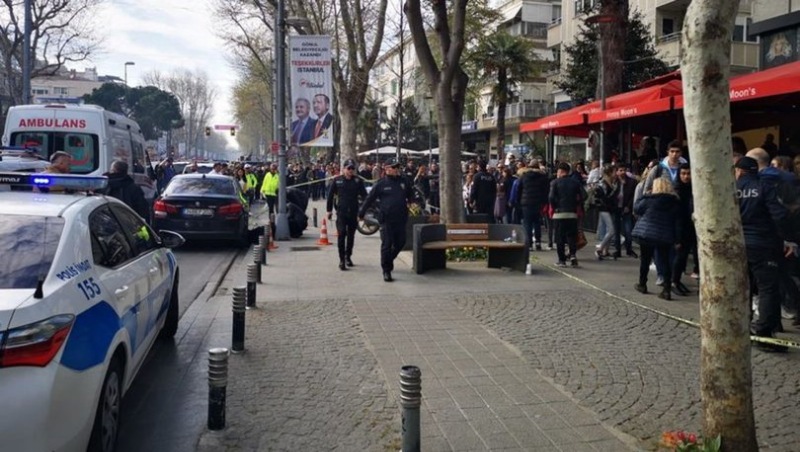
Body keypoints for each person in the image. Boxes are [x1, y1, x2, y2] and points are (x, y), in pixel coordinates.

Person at [735, 156, 790, 352]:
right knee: (768, 289)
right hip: (763, 245)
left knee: (743, 288)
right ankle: (764, 334)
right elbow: (780, 215)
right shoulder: (763, 188)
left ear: (739, 171)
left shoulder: (730, 189)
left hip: (738, 245)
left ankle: (742, 326)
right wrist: (787, 237)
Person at [358, 158, 416, 282]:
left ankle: (389, 259)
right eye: (393, 167)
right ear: (387, 169)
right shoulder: (381, 183)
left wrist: (411, 202)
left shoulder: (404, 181)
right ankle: (386, 270)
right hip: (386, 218)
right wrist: (361, 212)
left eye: (397, 167)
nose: (396, 170)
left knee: (401, 242)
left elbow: (411, 194)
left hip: (401, 217)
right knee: (387, 244)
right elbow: (369, 199)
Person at [632, 177, 682, 300]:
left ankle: (642, 284)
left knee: (645, 259)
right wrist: (678, 239)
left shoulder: (649, 200)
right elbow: (678, 222)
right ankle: (666, 289)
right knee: (665, 261)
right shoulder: (674, 202)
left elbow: (637, 208)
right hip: (665, 235)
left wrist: (644, 195)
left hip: (647, 233)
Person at [327, 159, 368, 271]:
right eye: (348, 168)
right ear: (344, 169)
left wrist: (363, 211)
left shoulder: (357, 181)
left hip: (353, 212)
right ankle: (341, 260)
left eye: (352, 168)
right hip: (341, 212)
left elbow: (365, 197)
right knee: (341, 235)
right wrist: (329, 210)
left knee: (351, 236)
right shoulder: (337, 180)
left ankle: (348, 256)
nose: (350, 170)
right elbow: (330, 196)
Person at [549, 162, 584, 267]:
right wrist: (576, 203)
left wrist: (555, 206)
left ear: (560, 171)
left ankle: (562, 260)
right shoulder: (575, 183)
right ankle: (573, 255)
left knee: (560, 237)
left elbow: (551, 198)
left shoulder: (555, 183)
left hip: (559, 214)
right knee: (571, 236)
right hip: (572, 213)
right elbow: (583, 195)